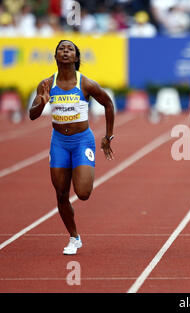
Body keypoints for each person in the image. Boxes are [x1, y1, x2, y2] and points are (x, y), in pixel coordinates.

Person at [29, 40, 115, 254]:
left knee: (83, 193)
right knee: (60, 193)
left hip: (81, 141)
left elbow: (108, 104)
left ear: (76, 58)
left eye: (69, 50)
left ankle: (74, 234)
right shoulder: (46, 84)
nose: (65, 52)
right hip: (59, 142)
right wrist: (41, 101)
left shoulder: (85, 83)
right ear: (56, 56)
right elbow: (32, 115)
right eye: (61, 49)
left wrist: (108, 136)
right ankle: (74, 237)